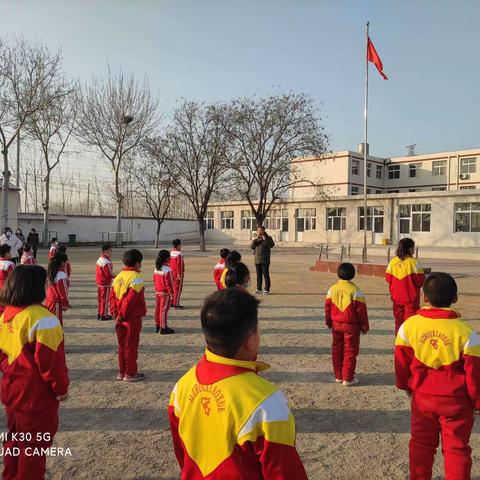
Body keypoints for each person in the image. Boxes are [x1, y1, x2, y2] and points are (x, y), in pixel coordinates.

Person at [168, 288, 308, 479]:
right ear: (250, 341)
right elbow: (283, 473)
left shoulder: (181, 387)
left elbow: (182, 453)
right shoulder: (267, 403)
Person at [395, 272, 480, 480]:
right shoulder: (467, 332)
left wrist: (405, 385)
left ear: (424, 297)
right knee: (457, 449)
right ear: (455, 298)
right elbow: (474, 373)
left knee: (421, 444)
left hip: (423, 398)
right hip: (457, 403)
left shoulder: (409, 326)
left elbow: (401, 363)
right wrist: (477, 402)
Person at [0, 265, 69, 480]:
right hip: (36, 396)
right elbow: (51, 364)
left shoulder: (5, 316)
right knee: (33, 449)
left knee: (14, 441)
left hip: (12, 392)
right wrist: (61, 389)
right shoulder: (43, 319)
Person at [325, 263, 369, 386]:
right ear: (353, 275)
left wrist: (329, 322)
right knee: (350, 351)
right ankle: (348, 378)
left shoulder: (332, 289)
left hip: (336, 326)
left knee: (337, 350)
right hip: (351, 327)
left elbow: (327, 308)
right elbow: (361, 312)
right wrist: (364, 327)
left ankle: (338, 376)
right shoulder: (356, 291)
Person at [110, 249, 147, 382]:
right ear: (137, 263)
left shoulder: (118, 277)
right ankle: (130, 373)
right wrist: (122, 314)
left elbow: (112, 297)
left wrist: (115, 314)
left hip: (119, 317)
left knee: (122, 345)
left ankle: (122, 372)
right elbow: (131, 300)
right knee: (131, 346)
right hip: (131, 317)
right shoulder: (136, 278)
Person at [386, 238, 425, 334]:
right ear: (411, 249)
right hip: (410, 299)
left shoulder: (393, 262)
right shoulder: (414, 263)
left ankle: (398, 343)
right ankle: (409, 345)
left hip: (396, 298)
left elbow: (388, 278)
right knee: (410, 323)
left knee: (399, 322)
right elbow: (420, 281)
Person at [45, 252, 70, 326]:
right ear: (63, 263)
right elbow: (63, 292)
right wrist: (65, 304)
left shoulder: (52, 271)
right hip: (56, 303)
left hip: (49, 300)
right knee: (56, 325)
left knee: (50, 323)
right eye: (66, 261)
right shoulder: (61, 275)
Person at [153, 250, 174, 334]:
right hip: (165, 293)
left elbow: (154, 280)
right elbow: (169, 283)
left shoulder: (156, 269)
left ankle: (158, 325)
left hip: (158, 291)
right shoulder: (167, 269)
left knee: (158, 309)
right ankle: (163, 327)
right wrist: (172, 293)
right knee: (164, 310)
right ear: (167, 258)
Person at [250, 226, 275, 295]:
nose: (259, 232)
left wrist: (265, 239)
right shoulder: (256, 239)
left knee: (266, 275)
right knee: (258, 275)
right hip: (257, 260)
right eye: (258, 230)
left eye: (260, 230)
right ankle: (259, 289)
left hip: (265, 260)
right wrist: (255, 240)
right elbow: (252, 247)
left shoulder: (268, 238)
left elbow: (272, 245)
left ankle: (267, 289)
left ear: (264, 231)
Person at [96, 244, 114, 321]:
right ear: (105, 251)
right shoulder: (106, 261)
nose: (111, 252)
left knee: (100, 299)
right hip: (105, 283)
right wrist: (117, 276)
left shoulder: (100, 259)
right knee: (105, 299)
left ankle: (100, 313)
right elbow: (109, 274)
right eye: (110, 250)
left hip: (100, 282)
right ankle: (103, 315)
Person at [0, 245, 15, 315]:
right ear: (6, 254)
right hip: (6, 288)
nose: (11, 254)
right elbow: (14, 277)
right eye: (10, 252)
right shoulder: (9, 264)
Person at [170, 239, 185, 309]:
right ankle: (176, 304)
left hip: (171, 273)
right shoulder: (179, 254)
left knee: (172, 289)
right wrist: (180, 274)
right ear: (178, 245)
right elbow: (180, 265)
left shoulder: (170, 253)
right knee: (178, 289)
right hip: (177, 274)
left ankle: (172, 303)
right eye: (180, 245)